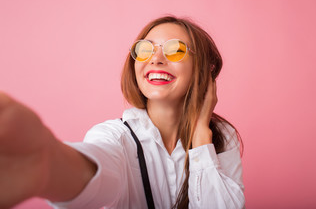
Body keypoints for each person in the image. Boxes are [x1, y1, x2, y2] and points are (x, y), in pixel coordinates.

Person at [0, 16, 245, 209]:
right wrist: (47, 166)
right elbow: (98, 169)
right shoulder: (115, 136)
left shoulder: (221, 136)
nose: (156, 59)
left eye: (175, 50)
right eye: (145, 49)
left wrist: (202, 137)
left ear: (202, 69)